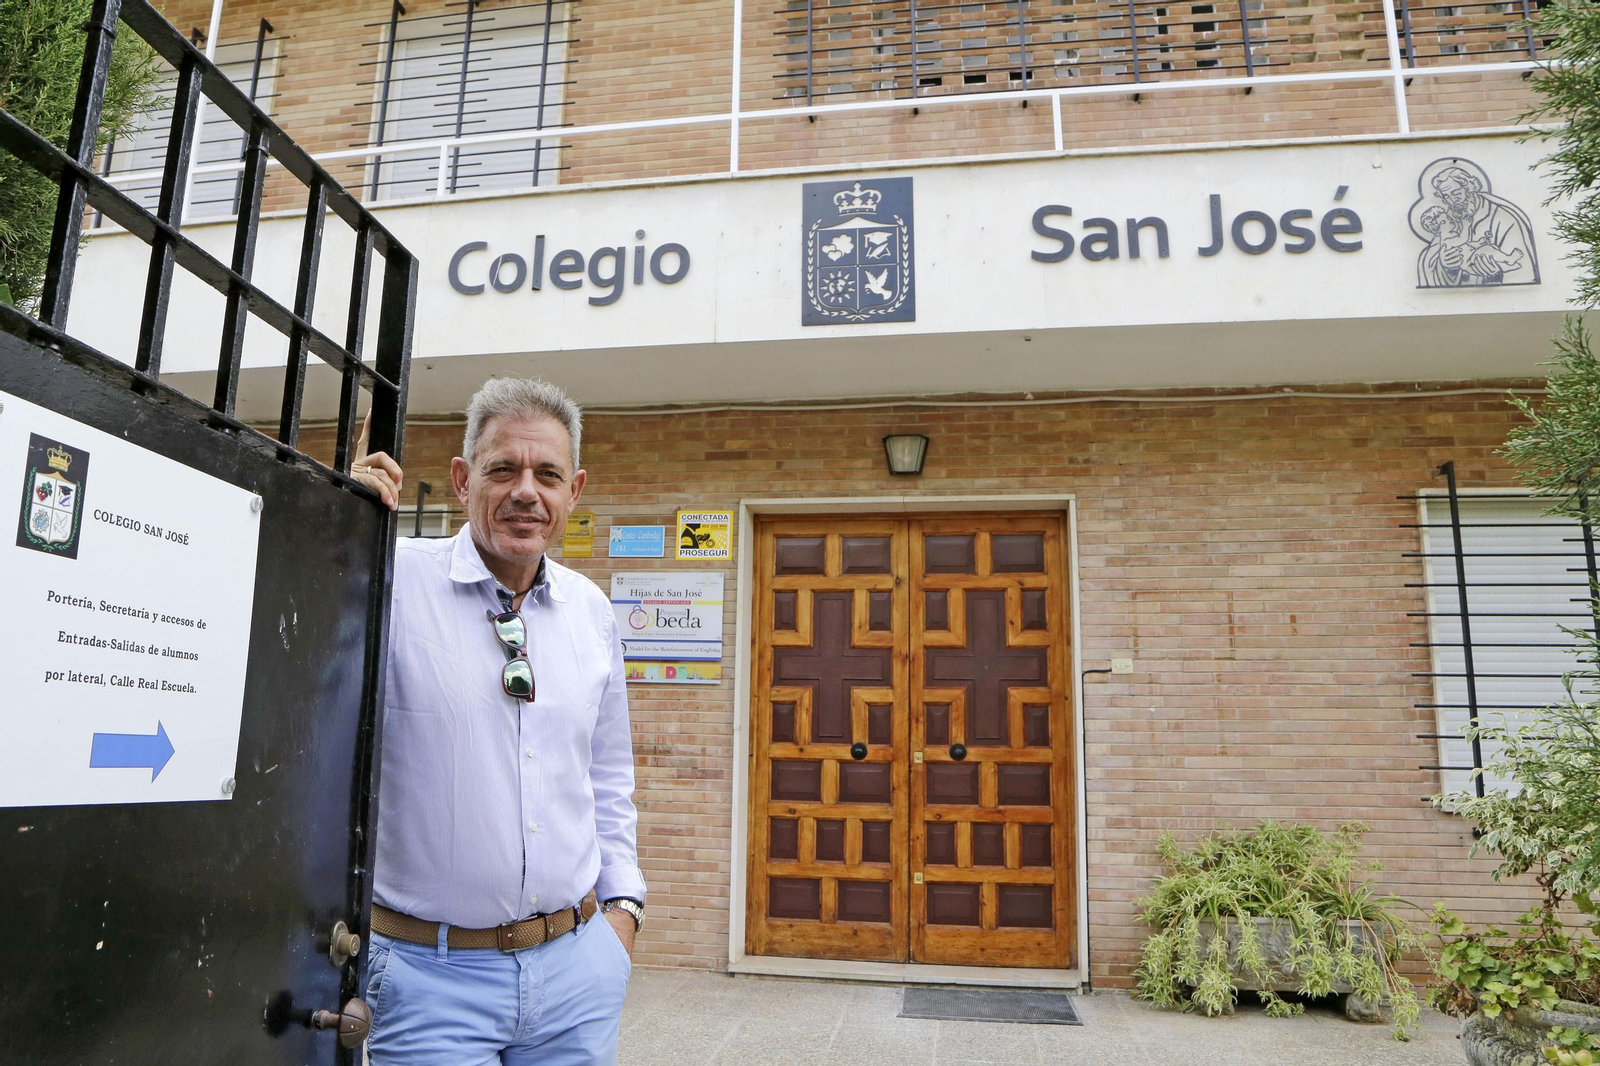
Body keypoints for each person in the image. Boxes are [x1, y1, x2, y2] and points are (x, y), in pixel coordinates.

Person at [350, 377, 645, 1066]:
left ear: (574, 490)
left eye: (547, 474)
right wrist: (330, 524)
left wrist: (622, 914)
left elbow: (608, 775)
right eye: (503, 469)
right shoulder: (385, 581)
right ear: (461, 479)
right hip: (431, 983)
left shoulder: (591, 613)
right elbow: (288, 657)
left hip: (578, 975)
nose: (525, 492)